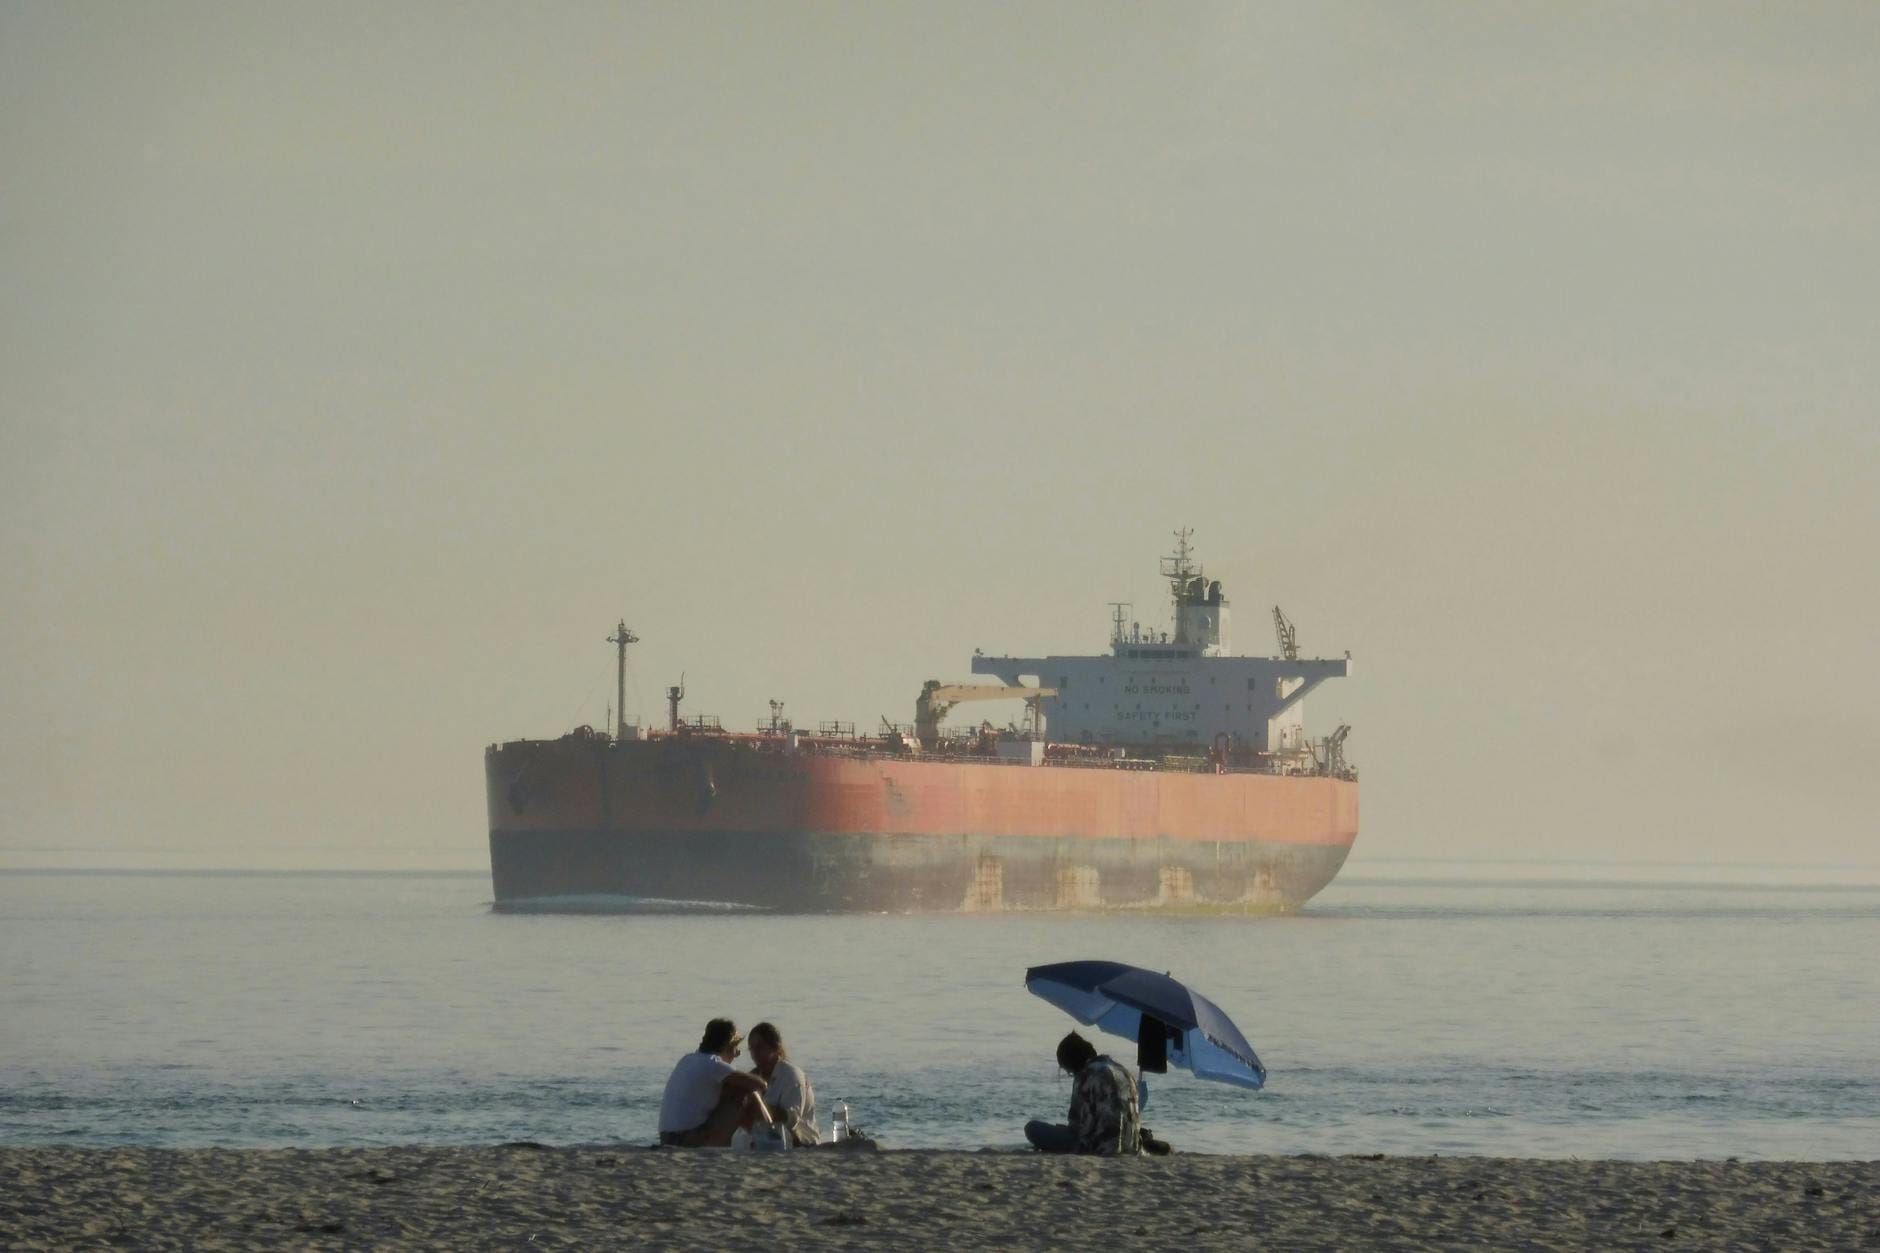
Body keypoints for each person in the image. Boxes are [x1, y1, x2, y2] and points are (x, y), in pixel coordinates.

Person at [656, 1018, 774, 1147]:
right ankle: (770, 1138)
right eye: (736, 1050)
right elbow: (761, 1085)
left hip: (667, 1138)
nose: (735, 1056)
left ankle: (760, 1139)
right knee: (745, 1092)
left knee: (732, 1090)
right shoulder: (714, 1064)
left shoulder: (688, 1059)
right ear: (726, 1046)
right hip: (686, 1140)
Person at [1024, 1030, 1142, 1156]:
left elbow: (1080, 1125)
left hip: (1100, 1146)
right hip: (1131, 1144)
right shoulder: (1123, 1071)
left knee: (1032, 1128)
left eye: (1068, 1071)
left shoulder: (1085, 1075)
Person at [748, 1021, 820, 1146]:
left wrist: (758, 1106)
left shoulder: (791, 1075)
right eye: (751, 1049)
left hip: (802, 1142)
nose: (754, 1054)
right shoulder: (753, 1076)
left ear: (775, 1048)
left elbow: (792, 1120)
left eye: (759, 1047)